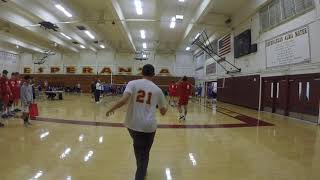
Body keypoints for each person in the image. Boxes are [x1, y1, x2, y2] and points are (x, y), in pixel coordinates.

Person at [106, 64, 168, 180]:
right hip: (149, 128)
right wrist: (166, 106)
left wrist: (111, 109)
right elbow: (163, 112)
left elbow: (124, 100)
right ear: (153, 75)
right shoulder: (158, 90)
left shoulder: (132, 83)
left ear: (141, 73)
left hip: (132, 125)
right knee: (144, 154)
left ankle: (141, 168)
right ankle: (141, 172)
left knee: (139, 149)